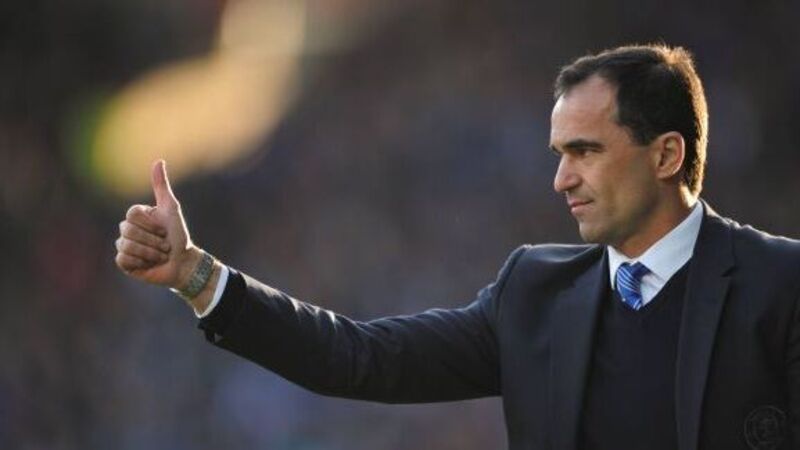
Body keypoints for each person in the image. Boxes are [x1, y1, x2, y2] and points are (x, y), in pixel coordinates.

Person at [114, 44, 800, 450]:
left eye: (586, 151)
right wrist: (195, 275)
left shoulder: (782, 285)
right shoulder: (534, 292)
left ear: (667, 155)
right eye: (559, 154)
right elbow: (360, 359)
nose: (562, 179)